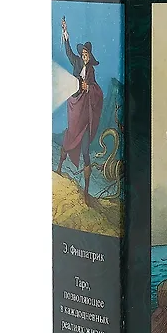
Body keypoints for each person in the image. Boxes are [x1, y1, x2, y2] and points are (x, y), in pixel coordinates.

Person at [56, 17, 104, 205]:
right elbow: (68, 51)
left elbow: (96, 89)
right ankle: (59, 168)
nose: (84, 56)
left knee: (85, 151)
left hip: (86, 112)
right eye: (83, 53)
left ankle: (85, 191)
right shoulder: (75, 62)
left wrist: (89, 87)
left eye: (87, 54)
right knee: (69, 136)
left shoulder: (91, 70)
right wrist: (65, 33)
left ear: (90, 56)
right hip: (75, 106)